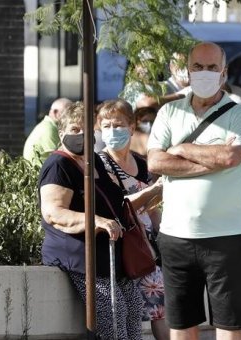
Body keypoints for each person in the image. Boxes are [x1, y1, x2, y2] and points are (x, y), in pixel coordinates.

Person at [147, 41, 241, 340]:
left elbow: (230, 157)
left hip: (226, 236)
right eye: (198, 67)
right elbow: (156, 161)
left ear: (224, 72)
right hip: (176, 236)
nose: (204, 73)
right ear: (187, 71)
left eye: (211, 67)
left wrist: (181, 149)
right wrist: (213, 158)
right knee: (181, 327)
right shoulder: (169, 112)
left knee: (232, 327)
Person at [38, 102, 143, 339]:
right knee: (113, 315)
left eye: (85, 128)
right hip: (81, 258)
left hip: (113, 258)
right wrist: (97, 221)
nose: (80, 135)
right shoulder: (58, 165)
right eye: (74, 129)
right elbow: (54, 213)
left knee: (134, 309)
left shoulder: (94, 161)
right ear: (61, 133)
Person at [96, 99, 168, 340]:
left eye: (118, 124)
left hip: (146, 246)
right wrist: (151, 191)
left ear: (131, 126)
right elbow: (118, 208)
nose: (112, 131)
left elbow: (152, 207)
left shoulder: (141, 162)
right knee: (128, 314)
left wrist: (161, 236)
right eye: (106, 126)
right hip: (122, 244)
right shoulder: (101, 164)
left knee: (159, 309)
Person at [23, 97, 72, 166]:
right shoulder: (49, 129)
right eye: (67, 113)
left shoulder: (47, 125)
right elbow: (59, 157)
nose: (70, 117)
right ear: (55, 112)